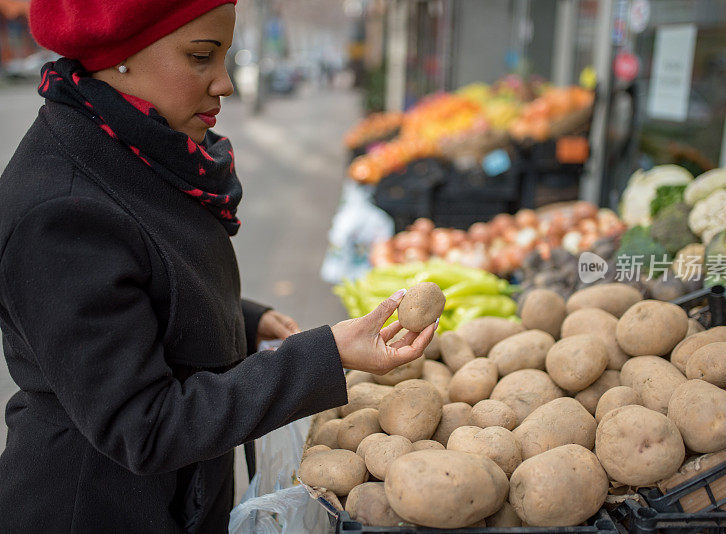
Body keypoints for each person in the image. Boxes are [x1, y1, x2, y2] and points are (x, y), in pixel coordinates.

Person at [0, 2, 436, 533]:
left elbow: (144, 283)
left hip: (175, 496)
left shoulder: (141, 143)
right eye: (201, 57)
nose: (225, 83)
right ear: (120, 56)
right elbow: (145, 427)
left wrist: (240, 320)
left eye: (224, 56)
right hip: (95, 509)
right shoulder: (61, 213)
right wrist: (322, 357)